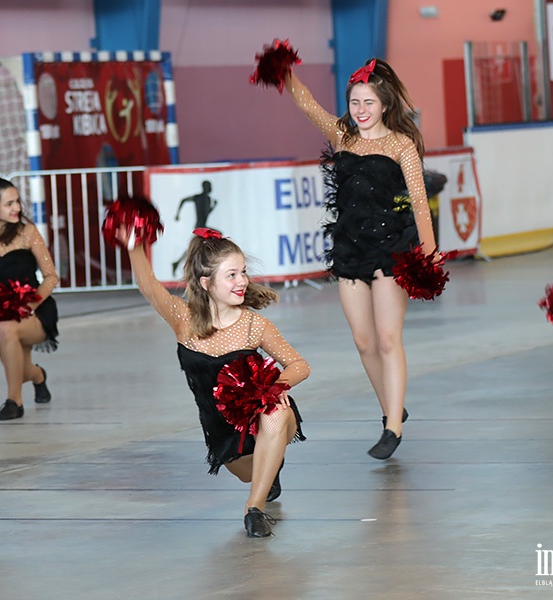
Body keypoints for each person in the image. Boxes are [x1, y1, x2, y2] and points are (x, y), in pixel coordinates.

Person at [283, 58, 437, 459]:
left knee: (388, 339)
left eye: (369, 102)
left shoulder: (401, 145)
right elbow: (306, 103)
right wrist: (284, 70)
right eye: (355, 102)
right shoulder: (342, 136)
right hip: (350, 249)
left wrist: (430, 255)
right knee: (363, 340)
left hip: (393, 250)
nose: (361, 110)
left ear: (384, 104)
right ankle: (391, 403)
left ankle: (392, 427)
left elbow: (419, 203)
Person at [120, 226, 309, 537]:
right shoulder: (183, 318)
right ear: (206, 283)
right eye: (232, 275)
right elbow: (150, 287)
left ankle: (254, 510)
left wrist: (274, 387)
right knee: (249, 473)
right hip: (226, 437)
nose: (243, 281)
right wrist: (133, 246)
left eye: (244, 272)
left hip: (264, 418)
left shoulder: (254, 325)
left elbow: (300, 365)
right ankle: (269, 468)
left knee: (275, 412)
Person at [0, 178, 58, 420]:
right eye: (9, 204)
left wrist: (31, 304)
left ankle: (14, 402)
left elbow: (50, 277)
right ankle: (38, 376)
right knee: (21, 370)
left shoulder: (28, 233)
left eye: (17, 202)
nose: (16, 208)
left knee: (7, 331)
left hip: (35, 312)